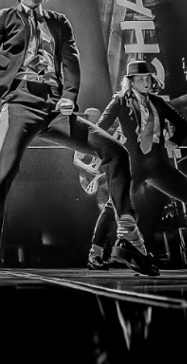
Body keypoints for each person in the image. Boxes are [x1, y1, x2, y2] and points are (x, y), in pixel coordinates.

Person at [0, 0, 156, 276]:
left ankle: (129, 237)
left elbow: (71, 61)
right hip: (20, 104)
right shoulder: (7, 17)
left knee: (115, 152)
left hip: (53, 109)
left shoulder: (59, 22)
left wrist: (69, 96)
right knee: (2, 172)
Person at [97, 60, 187, 272]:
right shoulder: (120, 101)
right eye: (141, 79)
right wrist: (107, 152)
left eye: (148, 78)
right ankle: (96, 253)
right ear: (130, 81)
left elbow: (181, 123)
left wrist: (174, 141)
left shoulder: (157, 102)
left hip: (156, 165)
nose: (146, 82)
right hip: (132, 163)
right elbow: (99, 128)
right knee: (114, 205)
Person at [73, 108, 119, 270]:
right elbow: (75, 159)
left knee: (115, 216)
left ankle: (111, 253)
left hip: (107, 179)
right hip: (98, 182)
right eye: (89, 118)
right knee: (108, 215)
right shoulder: (84, 136)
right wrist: (88, 168)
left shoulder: (106, 134)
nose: (92, 120)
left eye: (94, 118)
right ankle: (101, 252)